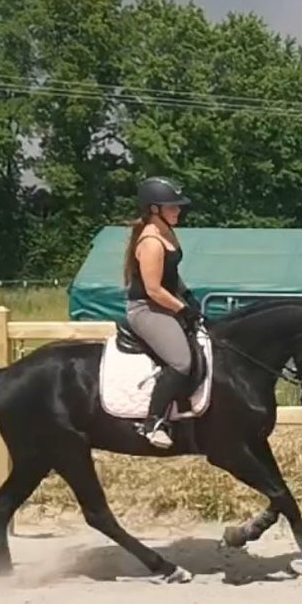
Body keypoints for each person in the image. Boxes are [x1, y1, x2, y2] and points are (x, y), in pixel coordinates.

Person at [122, 176, 204, 448]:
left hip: (165, 303)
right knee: (181, 362)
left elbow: (171, 275)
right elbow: (154, 289)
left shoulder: (167, 232)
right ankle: (153, 422)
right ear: (154, 209)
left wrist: (188, 295)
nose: (178, 210)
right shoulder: (151, 242)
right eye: (173, 206)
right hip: (146, 309)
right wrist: (183, 309)